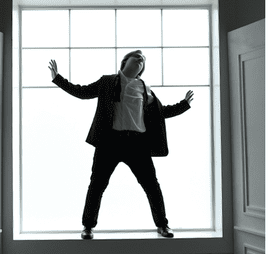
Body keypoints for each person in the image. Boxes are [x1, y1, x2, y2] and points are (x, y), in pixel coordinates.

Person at [48, 51, 194, 239]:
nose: (141, 59)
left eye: (143, 61)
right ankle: (88, 227)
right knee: (97, 184)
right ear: (125, 61)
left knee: (151, 185)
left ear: (142, 69)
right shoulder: (108, 81)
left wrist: (184, 105)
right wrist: (57, 79)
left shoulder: (145, 89)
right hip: (109, 143)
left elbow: (160, 113)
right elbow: (82, 92)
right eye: (137, 57)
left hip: (137, 145)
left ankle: (163, 225)